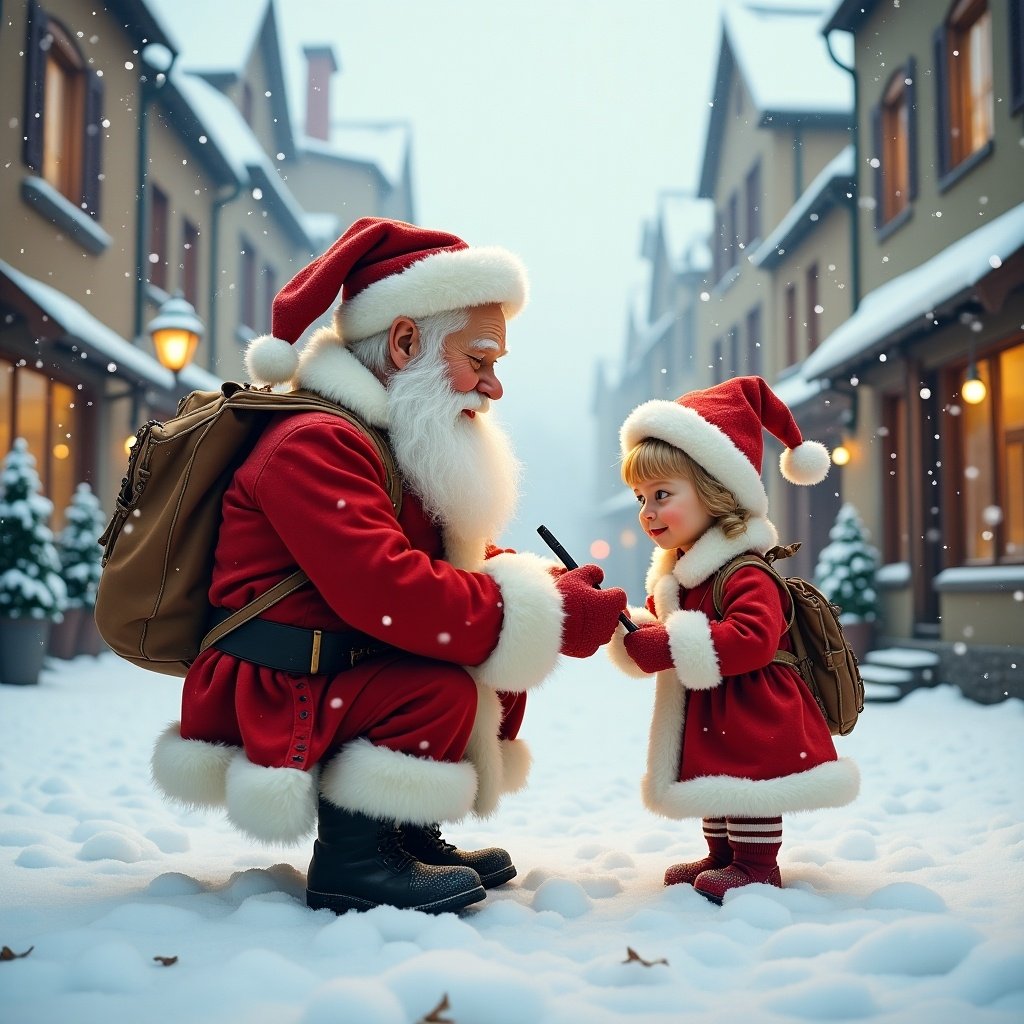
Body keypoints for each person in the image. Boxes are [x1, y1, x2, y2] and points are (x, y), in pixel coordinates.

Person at [151, 217, 627, 915]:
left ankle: (403, 833)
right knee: (438, 691)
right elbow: (389, 589)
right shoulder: (313, 444)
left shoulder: (379, 434)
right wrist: (541, 615)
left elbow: (435, 558)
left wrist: (546, 590)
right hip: (277, 675)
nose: (493, 387)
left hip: (330, 658)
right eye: (481, 359)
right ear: (405, 342)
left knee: (484, 674)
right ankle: (355, 859)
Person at [607, 376, 860, 903]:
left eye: (662, 495)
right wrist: (625, 624)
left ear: (716, 492)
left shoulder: (744, 571)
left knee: (749, 783)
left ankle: (754, 862)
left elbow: (753, 639)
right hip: (718, 704)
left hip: (754, 706)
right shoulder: (685, 573)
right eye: (640, 498)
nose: (647, 511)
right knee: (716, 778)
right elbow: (663, 623)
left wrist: (672, 645)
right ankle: (722, 854)